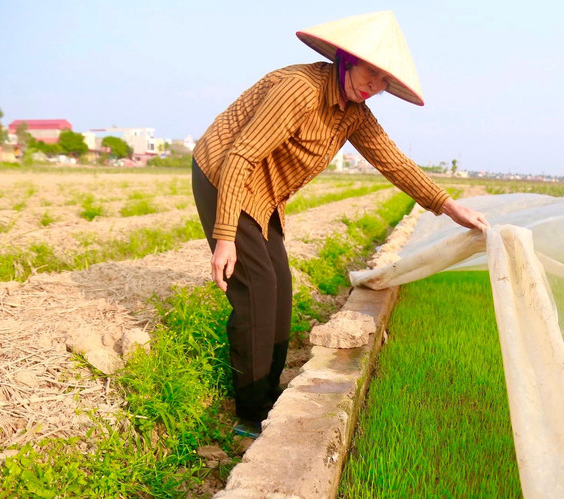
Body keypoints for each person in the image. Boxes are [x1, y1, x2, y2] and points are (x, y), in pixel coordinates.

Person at [191, 11, 489, 435]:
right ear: (348, 58)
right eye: (371, 71)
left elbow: (393, 161)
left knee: (279, 287)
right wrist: (224, 237)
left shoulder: (353, 111)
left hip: (264, 191)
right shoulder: (300, 90)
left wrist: (449, 206)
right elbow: (240, 156)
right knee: (257, 288)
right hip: (224, 173)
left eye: (385, 80)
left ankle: (269, 392)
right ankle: (250, 414)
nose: (375, 85)